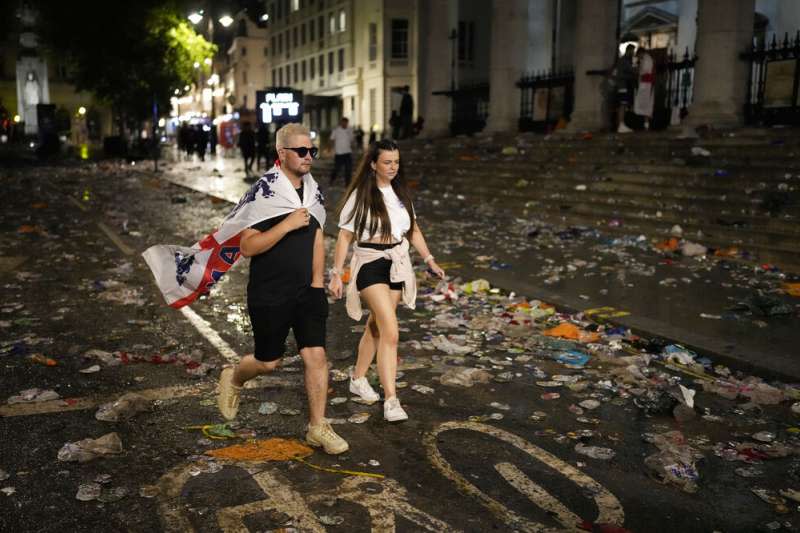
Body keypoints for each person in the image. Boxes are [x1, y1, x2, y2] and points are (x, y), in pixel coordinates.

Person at [217, 123, 348, 454]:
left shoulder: (314, 190)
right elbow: (247, 247)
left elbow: (318, 237)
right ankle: (234, 377)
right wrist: (286, 224)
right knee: (268, 362)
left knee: (316, 356)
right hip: (269, 292)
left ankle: (317, 427)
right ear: (282, 153)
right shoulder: (263, 193)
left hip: (307, 291)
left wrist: (318, 283)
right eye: (301, 151)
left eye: (312, 151)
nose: (308, 157)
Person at [328, 139, 445, 422]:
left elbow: (413, 230)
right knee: (391, 330)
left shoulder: (401, 193)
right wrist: (336, 273)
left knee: (377, 327)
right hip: (369, 264)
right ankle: (391, 400)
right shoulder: (361, 195)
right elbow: (345, 235)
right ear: (373, 164)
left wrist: (429, 260)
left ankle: (357, 379)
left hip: (397, 263)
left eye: (396, 162)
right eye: (387, 162)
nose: (393, 167)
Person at [610, 44, 637, 133]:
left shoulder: (622, 61)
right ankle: (621, 124)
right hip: (622, 86)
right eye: (633, 51)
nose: (633, 53)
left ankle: (621, 124)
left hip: (620, 85)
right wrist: (632, 74)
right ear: (629, 50)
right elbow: (631, 72)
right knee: (622, 105)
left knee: (622, 105)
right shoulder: (624, 61)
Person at [633, 47, 655, 130]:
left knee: (646, 103)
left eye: (638, 55)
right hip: (644, 83)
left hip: (646, 84)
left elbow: (644, 70)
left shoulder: (647, 59)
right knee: (644, 103)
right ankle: (645, 122)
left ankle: (646, 123)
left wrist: (638, 70)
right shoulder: (644, 59)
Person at [329, 117, 354, 186]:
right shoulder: (336, 130)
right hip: (339, 153)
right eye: (343, 123)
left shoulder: (350, 130)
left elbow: (352, 140)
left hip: (348, 153)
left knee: (348, 169)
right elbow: (332, 139)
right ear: (341, 123)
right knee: (336, 169)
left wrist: (352, 147)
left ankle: (347, 184)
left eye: (346, 123)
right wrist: (332, 149)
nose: (345, 124)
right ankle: (332, 180)